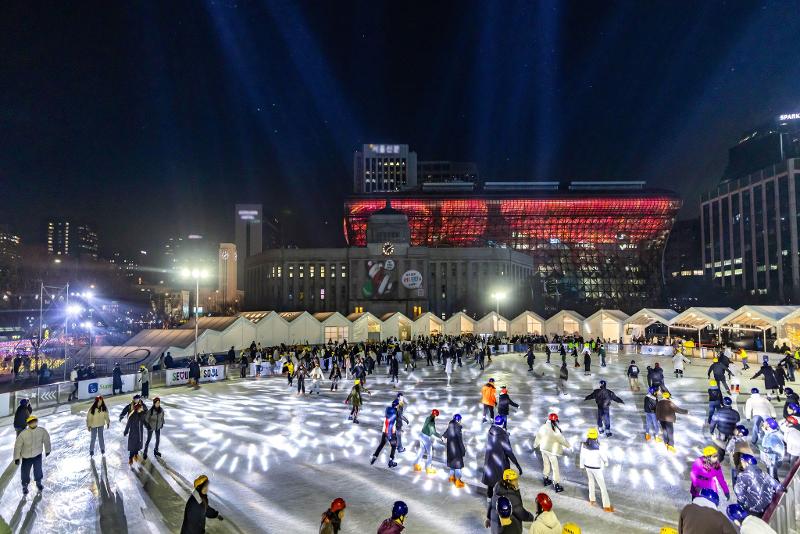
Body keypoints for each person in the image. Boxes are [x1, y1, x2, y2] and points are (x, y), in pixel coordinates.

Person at [483, 415, 523, 499]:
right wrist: (517, 464)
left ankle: (489, 498)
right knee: (502, 480)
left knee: (491, 480)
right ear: (503, 423)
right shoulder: (502, 436)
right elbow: (509, 452)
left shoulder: (491, 431)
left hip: (490, 460)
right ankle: (501, 499)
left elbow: (497, 437)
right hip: (500, 462)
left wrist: (505, 433)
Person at [486, 469, 533, 534]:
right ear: (508, 481)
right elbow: (521, 513)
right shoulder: (511, 496)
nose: (517, 482)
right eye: (514, 480)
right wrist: (531, 517)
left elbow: (491, 504)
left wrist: (488, 518)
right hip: (510, 528)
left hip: (496, 526)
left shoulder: (497, 488)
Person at [13, 415, 51, 494]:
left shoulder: (42, 431)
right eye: (31, 422)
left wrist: (48, 450)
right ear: (28, 424)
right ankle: (25, 486)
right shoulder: (23, 434)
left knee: (38, 469)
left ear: (36, 421)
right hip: (26, 457)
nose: (33, 423)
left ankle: (38, 483)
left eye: (34, 421)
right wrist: (17, 458)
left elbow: (46, 440)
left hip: (37, 455)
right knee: (25, 472)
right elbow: (18, 446)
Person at [533, 413, 570, 493]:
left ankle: (545, 479)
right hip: (551, 452)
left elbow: (538, 436)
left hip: (543, 449)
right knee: (555, 468)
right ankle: (556, 484)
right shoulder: (555, 430)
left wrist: (535, 444)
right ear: (555, 421)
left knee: (546, 464)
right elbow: (562, 440)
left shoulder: (543, 427)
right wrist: (568, 445)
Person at [579, 428, 613, 512]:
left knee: (591, 482)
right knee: (602, 487)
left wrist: (582, 465)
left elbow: (582, 456)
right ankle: (606, 506)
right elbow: (604, 457)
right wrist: (606, 462)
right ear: (596, 436)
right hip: (596, 468)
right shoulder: (599, 447)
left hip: (587, 467)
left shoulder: (583, 445)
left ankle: (592, 500)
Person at [413, 409, 443, 474]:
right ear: (435, 415)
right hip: (426, 437)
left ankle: (416, 465)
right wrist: (441, 437)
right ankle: (428, 468)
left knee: (421, 451)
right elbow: (433, 432)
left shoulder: (428, 418)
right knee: (430, 453)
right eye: (437, 415)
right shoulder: (432, 421)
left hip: (421, 435)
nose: (437, 417)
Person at [444, 413, 467, 488]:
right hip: (456, 449)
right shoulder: (457, 427)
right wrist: (463, 450)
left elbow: (447, 432)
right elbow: (460, 441)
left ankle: (451, 477)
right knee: (458, 466)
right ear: (458, 420)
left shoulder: (451, 424)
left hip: (450, 448)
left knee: (452, 463)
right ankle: (458, 481)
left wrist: (443, 436)